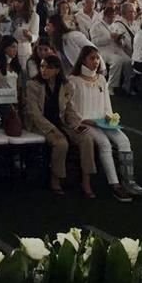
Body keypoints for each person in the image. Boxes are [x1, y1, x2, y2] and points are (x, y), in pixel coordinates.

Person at [68, 46, 142, 202]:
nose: (96, 61)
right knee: (104, 143)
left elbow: (106, 105)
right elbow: (72, 108)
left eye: (97, 58)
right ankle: (115, 184)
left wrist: (111, 118)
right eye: (92, 58)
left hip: (102, 122)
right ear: (83, 60)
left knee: (124, 141)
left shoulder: (101, 79)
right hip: (86, 122)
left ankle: (129, 181)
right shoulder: (73, 81)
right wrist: (86, 121)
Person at [23, 54, 97, 198]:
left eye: (48, 68)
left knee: (87, 139)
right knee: (61, 143)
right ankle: (55, 179)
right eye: (42, 66)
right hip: (42, 124)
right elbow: (34, 113)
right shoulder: (33, 85)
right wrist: (53, 129)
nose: (44, 70)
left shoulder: (66, 86)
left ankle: (86, 181)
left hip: (61, 122)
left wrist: (77, 125)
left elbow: (69, 109)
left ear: (57, 70)